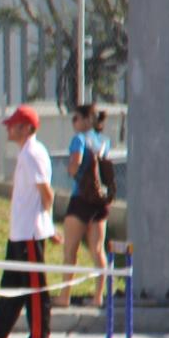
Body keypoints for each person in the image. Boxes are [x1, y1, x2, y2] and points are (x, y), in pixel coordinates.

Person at [0, 104, 54, 338]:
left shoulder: (33, 154)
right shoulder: (25, 154)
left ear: (27, 128)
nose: (9, 129)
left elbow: (47, 194)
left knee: (34, 291)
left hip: (30, 233)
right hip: (19, 234)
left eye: (14, 125)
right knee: (11, 291)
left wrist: (47, 226)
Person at [58, 102, 112, 309]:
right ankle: (98, 297)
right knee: (98, 250)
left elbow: (75, 165)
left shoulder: (79, 139)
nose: (74, 122)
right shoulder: (104, 141)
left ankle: (65, 296)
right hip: (100, 201)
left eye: (76, 118)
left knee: (70, 250)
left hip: (81, 199)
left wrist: (71, 170)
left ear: (87, 120)